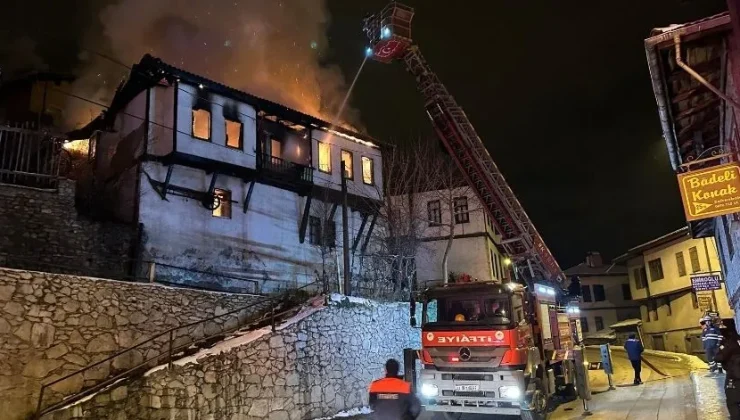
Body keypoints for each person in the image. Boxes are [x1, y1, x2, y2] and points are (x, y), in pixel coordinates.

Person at [715, 326, 740, 419]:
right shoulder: (737, 340)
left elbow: (718, 357)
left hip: (734, 376)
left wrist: (720, 346)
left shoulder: (729, 343)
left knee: (732, 401)